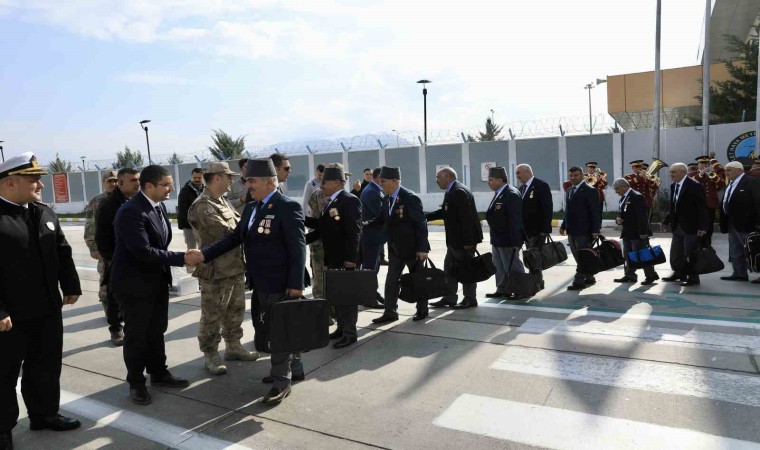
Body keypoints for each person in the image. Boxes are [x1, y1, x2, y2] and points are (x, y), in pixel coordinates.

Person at [200, 158, 307, 406]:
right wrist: (205, 254)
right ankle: (295, 367)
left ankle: (282, 382)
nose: (247, 185)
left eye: (252, 181)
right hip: (260, 281)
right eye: (247, 181)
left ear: (270, 182)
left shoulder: (287, 207)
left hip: (281, 282)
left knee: (280, 332)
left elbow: (298, 248)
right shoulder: (251, 208)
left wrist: (295, 283)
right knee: (276, 328)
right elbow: (234, 239)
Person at [0, 153, 82, 450]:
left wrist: (70, 284)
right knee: (4, 374)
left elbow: (61, 249)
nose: (41, 185)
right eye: (34, 179)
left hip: (47, 308)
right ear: (9, 183)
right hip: (9, 317)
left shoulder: (42, 212)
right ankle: (2, 430)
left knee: (45, 366)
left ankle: (44, 414)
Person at [110, 165, 201, 406]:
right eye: (166, 185)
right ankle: (136, 382)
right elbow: (143, 251)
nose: (171, 188)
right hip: (133, 284)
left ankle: (158, 372)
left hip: (155, 281)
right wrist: (182, 257)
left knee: (156, 329)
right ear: (149, 186)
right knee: (137, 335)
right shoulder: (131, 211)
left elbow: (159, 245)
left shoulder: (157, 207)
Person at [188, 162, 259, 376]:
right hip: (216, 271)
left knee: (235, 311)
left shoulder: (223, 201)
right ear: (217, 178)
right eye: (229, 177)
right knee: (212, 315)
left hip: (234, 267)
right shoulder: (202, 205)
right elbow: (228, 232)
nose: (233, 182)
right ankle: (210, 355)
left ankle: (233, 346)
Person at [305, 164, 362, 349]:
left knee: (346, 298)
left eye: (325, 182)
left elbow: (354, 232)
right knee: (337, 296)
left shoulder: (349, 200)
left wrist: (351, 259)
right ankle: (341, 328)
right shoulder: (331, 201)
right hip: (333, 258)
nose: (321, 185)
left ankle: (350, 333)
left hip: (345, 259)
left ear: (337, 182)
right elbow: (322, 227)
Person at [372, 166, 431, 324]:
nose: (381, 184)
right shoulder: (387, 199)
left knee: (417, 281)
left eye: (383, 181)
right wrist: (363, 223)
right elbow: (381, 219)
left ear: (394, 181)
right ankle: (390, 311)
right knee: (391, 281)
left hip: (412, 249)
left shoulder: (409, 197)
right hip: (395, 249)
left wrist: (422, 248)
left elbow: (421, 224)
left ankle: (422, 309)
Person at [95, 167, 141, 346]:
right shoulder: (108, 205)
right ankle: (115, 328)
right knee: (114, 295)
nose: (137, 183)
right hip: (117, 259)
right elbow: (102, 236)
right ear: (121, 184)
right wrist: (112, 259)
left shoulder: (139, 201)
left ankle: (132, 325)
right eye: (132, 181)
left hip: (138, 259)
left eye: (138, 180)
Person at [426, 167, 483, 309]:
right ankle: (449, 297)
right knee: (449, 269)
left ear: (448, 177)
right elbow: (446, 211)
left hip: (464, 242)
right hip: (455, 242)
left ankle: (470, 298)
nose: (436, 181)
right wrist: (426, 216)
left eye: (438, 177)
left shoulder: (458, 192)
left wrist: (469, 242)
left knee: (467, 270)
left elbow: (467, 219)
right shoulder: (453, 190)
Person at [661, 163, 708, 287]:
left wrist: (703, 227)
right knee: (676, 252)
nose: (671, 175)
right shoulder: (673, 186)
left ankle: (693, 277)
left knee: (690, 252)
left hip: (691, 226)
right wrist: (666, 221)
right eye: (670, 172)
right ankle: (679, 273)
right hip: (677, 226)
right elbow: (673, 207)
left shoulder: (694, 186)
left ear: (683, 172)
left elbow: (702, 208)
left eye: (674, 172)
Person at [484, 167, 525, 298]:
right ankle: (503, 289)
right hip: (498, 238)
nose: (488, 182)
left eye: (490, 179)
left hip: (508, 239)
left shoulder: (511, 194)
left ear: (500, 180)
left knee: (512, 265)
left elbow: (515, 220)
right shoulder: (500, 193)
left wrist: (515, 241)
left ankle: (521, 290)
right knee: (500, 266)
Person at [84, 170, 118, 322]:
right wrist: (93, 247)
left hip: (123, 248)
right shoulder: (97, 201)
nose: (113, 184)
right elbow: (90, 225)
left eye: (116, 181)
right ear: (104, 183)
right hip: (105, 249)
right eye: (109, 181)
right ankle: (111, 316)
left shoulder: (127, 198)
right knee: (106, 281)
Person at [560, 166, 602, 290]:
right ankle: (589, 277)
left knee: (583, 255)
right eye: (571, 176)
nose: (573, 178)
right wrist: (563, 226)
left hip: (584, 230)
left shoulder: (590, 190)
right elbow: (568, 211)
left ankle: (578, 281)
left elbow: (595, 212)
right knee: (577, 255)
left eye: (576, 175)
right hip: (571, 229)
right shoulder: (569, 190)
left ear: (582, 176)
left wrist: (595, 230)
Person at [612, 178, 659, 285]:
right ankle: (630, 275)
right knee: (628, 255)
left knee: (642, 255)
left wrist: (643, 232)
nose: (616, 191)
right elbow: (623, 214)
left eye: (617, 189)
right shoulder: (623, 198)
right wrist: (618, 220)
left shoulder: (636, 196)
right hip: (627, 231)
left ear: (625, 186)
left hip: (638, 233)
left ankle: (650, 275)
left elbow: (642, 216)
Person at [719, 161, 760, 283]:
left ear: (740, 170)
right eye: (725, 170)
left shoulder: (752, 181)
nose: (726, 173)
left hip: (748, 223)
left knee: (754, 249)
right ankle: (739, 273)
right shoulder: (731, 183)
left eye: (729, 170)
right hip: (732, 222)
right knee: (735, 250)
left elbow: (758, 202)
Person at [515, 164, 553, 290]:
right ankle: (537, 281)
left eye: (519, 172)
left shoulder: (541, 186)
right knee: (530, 257)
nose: (517, 176)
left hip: (537, 230)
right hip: (526, 231)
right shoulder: (521, 189)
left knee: (534, 257)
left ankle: (536, 282)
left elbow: (547, 209)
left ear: (527, 172)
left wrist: (545, 230)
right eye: (516, 173)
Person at [359, 167, 387, 307]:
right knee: (370, 268)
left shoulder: (374, 190)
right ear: (378, 177)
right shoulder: (371, 192)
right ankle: (369, 298)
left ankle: (373, 293)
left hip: (375, 235)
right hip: (371, 235)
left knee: (373, 267)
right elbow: (379, 215)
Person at [694, 155, 726, 246]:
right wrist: (701, 174)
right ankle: (698, 244)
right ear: (698, 165)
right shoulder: (694, 174)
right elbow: (691, 182)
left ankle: (707, 245)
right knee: (698, 225)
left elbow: (722, 185)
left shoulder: (713, 174)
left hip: (710, 204)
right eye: (702, 163)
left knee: (709, 226)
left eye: (706, 163)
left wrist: (714, 177)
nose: (704, 165)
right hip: (697, 205)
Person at [177, 167, 204, 250]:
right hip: (189, 225)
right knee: (192, 248)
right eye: (194, 177)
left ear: (203, 177)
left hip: (203, 224)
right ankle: (191, 263)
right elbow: (183, 209)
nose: (196, 179)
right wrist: (193, 221)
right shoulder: (185, 190)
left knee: (204, 248)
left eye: (199, 178)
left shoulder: (205, 190)